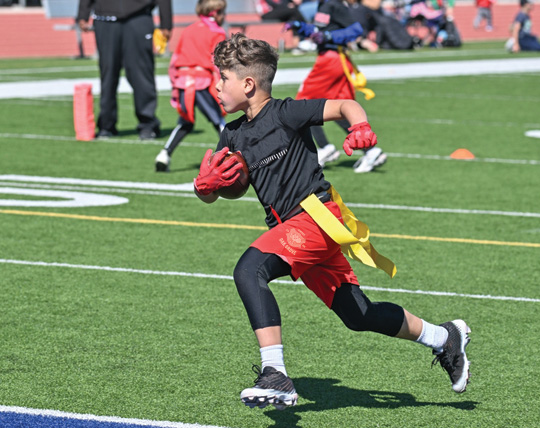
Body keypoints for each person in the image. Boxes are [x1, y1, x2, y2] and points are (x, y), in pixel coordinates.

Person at [193, 32, 472, 410]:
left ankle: (274, 373)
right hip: (292, 231)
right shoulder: (232, 133)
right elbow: (231, 186)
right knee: (358, 314)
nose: (216, 86)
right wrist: (205, 187)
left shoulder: (286, 113)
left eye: (222, 78)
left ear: (248, 83)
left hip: (316, 219)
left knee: (249, 271)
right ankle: (444, 337)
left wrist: (360, 128)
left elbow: (344, 105)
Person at [286, 0, 387, 172]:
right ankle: (371, 151)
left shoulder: (334, 4)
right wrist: (301, 27)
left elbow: (356, 30)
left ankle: (325, 147)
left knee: (304, 103)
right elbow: (322, 30)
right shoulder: (324, 4)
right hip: (332, 60)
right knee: (338, 110)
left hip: (332, 60)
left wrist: (330, 37)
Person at [76, 0, 172, 140]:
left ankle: (148, 125)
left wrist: (166, 23)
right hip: (105, 20)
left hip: (139, 18)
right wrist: (82, 14)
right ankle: (106, 126)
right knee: (108, 74)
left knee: (141, 74)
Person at [154, 0, 227, 172]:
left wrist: (174, 83)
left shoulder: (189, 30)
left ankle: (164, 154)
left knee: (186, 122)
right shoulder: (217, 32)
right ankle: (234, 154)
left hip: (182, 81)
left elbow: (175, 60)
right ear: (216, 12)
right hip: (201, 82)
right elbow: (217, 62)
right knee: (218, 120)